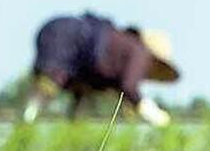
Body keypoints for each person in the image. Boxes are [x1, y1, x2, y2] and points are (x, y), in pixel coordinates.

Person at [21, 13, 180, 126]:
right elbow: (129, 88)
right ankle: (26, 123)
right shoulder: (139, 53)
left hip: (59, 33)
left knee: (53, 85)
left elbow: (84, 88)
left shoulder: (122, 48)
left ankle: (35, 124)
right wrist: (158, 118)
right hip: (63, 36)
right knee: (48, 85)